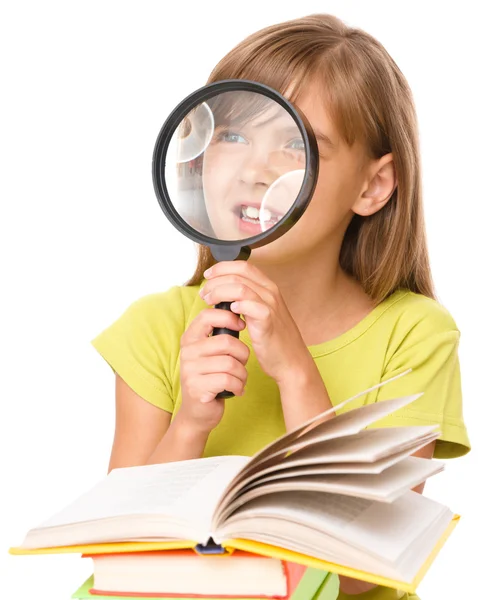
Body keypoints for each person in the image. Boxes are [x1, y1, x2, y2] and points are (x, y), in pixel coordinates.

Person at [91, 13, 471, 600]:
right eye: (234, 136)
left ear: (373, 186)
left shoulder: (413, 335)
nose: (253, 169)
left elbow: (362, 567)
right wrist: (189, 423)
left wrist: (296, 372)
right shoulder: (155, 327)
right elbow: (117, 553)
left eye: (298, 144)